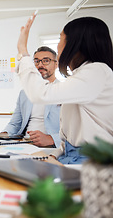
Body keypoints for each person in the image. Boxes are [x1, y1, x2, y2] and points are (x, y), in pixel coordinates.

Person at [16, 14, 113, 164]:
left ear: (75, 43)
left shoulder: (96, 71)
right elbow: (71, 137)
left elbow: (40, 94)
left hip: (92, 162)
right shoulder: (82, 77)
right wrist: (55, 155)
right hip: (71, 156)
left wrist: (23, 52)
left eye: (61, 39)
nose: (58, 45)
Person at [0, 46, 61, 148]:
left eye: (46, 61)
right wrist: (2, 135)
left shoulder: (63, 90)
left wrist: (52, 139)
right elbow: (15, 123)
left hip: (52, 147)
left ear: (56, 64)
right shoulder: (25, 93)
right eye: (36, 61)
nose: (40, 65)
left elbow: (75, 131)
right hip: (24, 144)